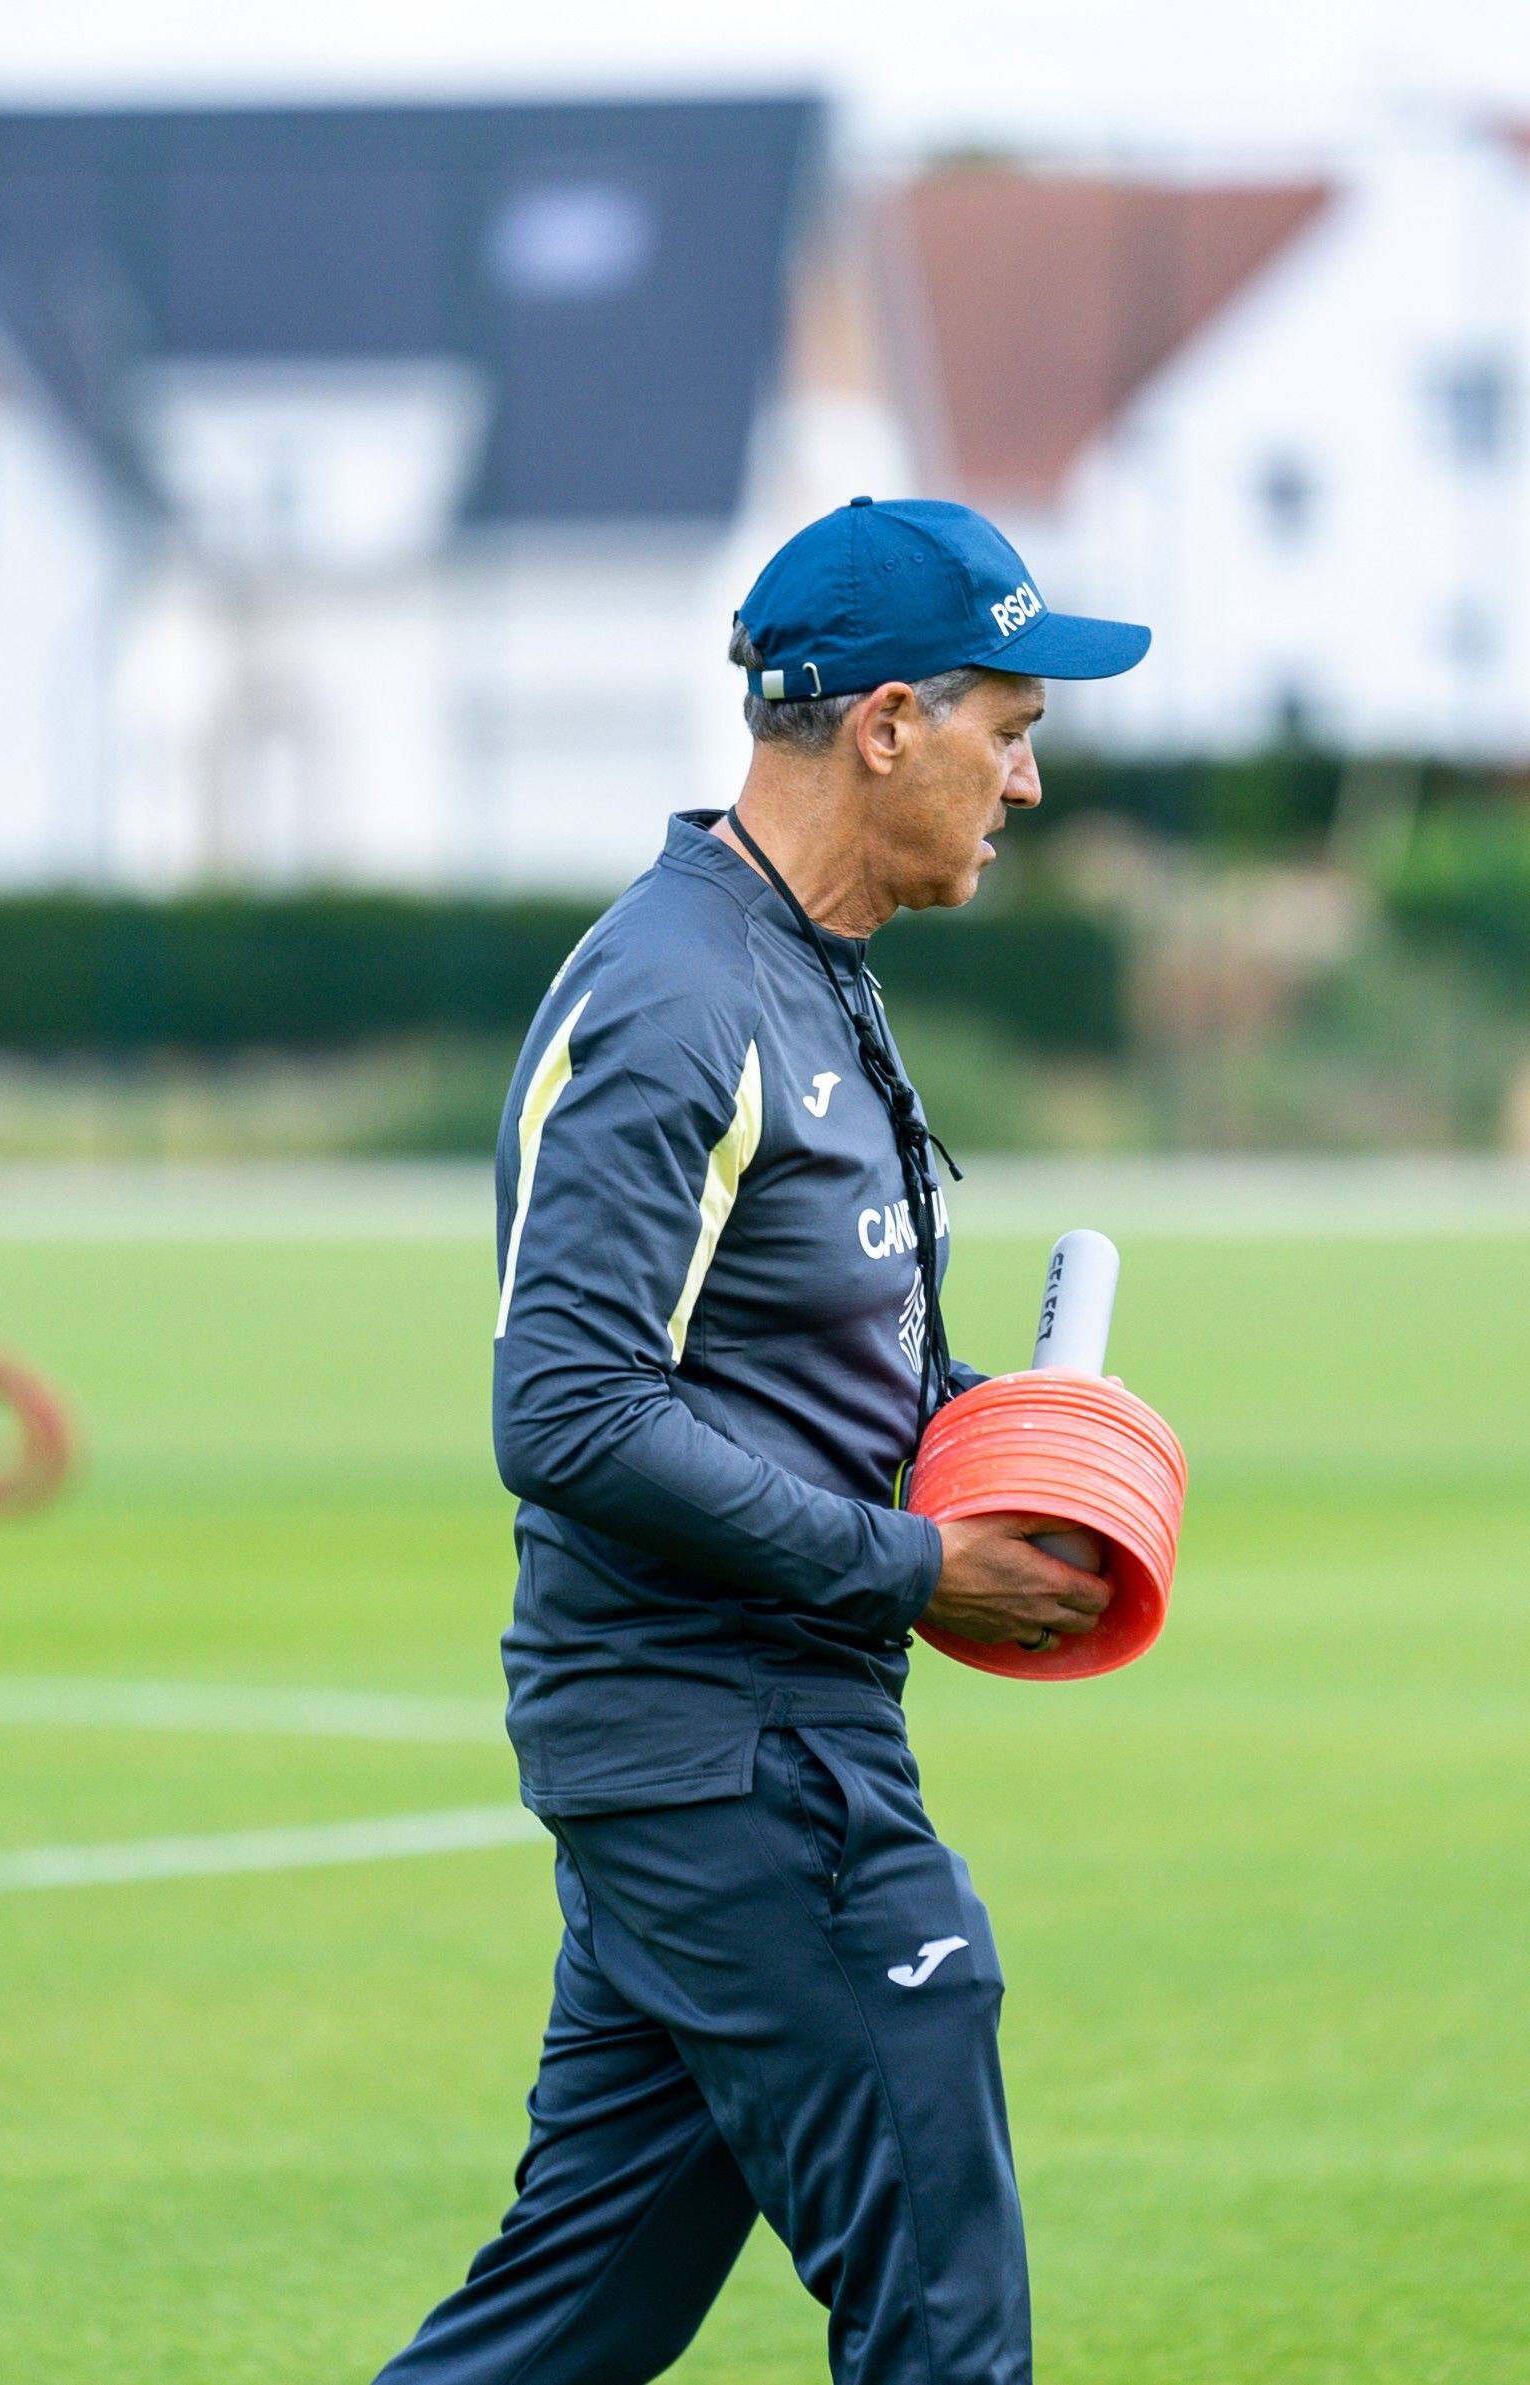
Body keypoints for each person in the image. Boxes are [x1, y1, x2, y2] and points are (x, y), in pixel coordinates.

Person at [375, 498, 1143, 2385]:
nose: (1027, 780)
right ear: (886, 725)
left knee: (562, 2330)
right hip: (736, 1752)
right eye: (1010, 726)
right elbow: (565, 1408)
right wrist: (911, 1563)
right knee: (944, 2320)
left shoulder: (805, 970)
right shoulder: (679, 998)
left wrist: (1006, 1443)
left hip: (727, 1742)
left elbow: (821, 1375)